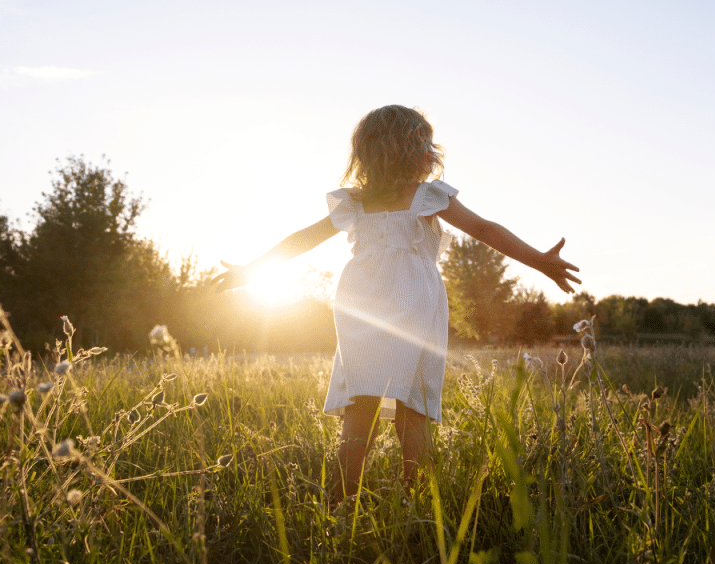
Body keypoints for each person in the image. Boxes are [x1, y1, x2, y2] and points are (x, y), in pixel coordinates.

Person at [213, 104, 580, 507]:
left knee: (362, 400)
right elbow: (483, 229)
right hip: (414, 299)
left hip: (360, 303)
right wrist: (539, 260)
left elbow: (302, 239)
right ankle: (413, 502)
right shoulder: (426, 195)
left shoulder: (356, 201)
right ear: (417, 149)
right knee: (413, 404)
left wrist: (253, 270)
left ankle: (340, 504)